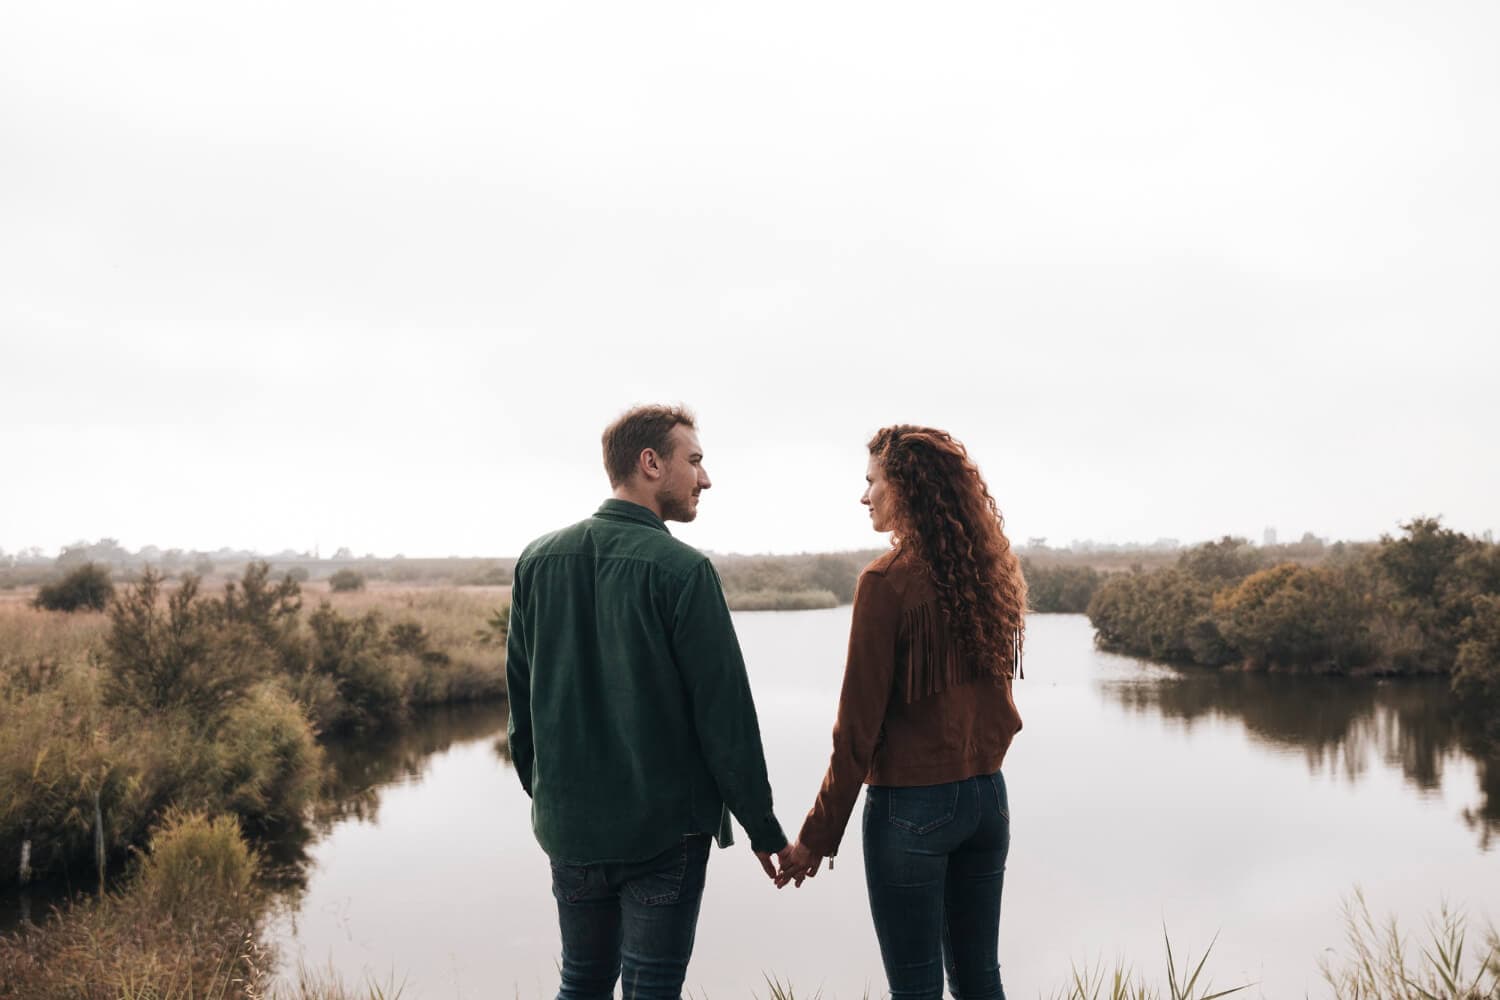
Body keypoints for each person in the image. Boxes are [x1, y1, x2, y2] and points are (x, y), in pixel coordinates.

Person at [506, 403, 789, 1000]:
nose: (705, 479)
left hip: (571, 830)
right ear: (650, 463)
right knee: (652, 988)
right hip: (664, 834)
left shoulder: (536, 561)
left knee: (580, 984)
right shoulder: (683, 571)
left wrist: (555, 798)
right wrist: (764, 831)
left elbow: (521, 711)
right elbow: (727, 721)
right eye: (695, 461)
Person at [778, 425, 1027, 1000]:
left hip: (913, 807)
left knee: (914, 988)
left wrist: (814, 838)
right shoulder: (989, 573)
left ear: (908, 488)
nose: (864, 496)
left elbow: (856, 732)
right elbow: (1002, 710)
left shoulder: (885, 582)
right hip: (988, 801)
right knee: (979, 978)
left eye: (872, 481)